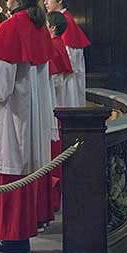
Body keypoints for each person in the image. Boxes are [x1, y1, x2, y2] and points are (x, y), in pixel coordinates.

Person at [0, 0, 55, 253]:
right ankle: (20, 234)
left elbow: (2, 84)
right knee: (24, 171)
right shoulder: (39, 26)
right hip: (31, 115)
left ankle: (11, 236)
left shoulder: (12, 28)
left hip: (11, 116)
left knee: (7, 171)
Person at [44, 0, 90, 108]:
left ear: (60, 0)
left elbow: (71, 59)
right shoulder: (58, 19)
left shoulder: (65, 22)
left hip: (66, 79)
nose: (45, 3)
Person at [46, 11, 73, 217]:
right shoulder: (59, 46)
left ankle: (53, 202)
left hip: (53, 112)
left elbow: (54, 81)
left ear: (53, 28)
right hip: (58, 110)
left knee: (52, 162)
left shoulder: (54, 46)